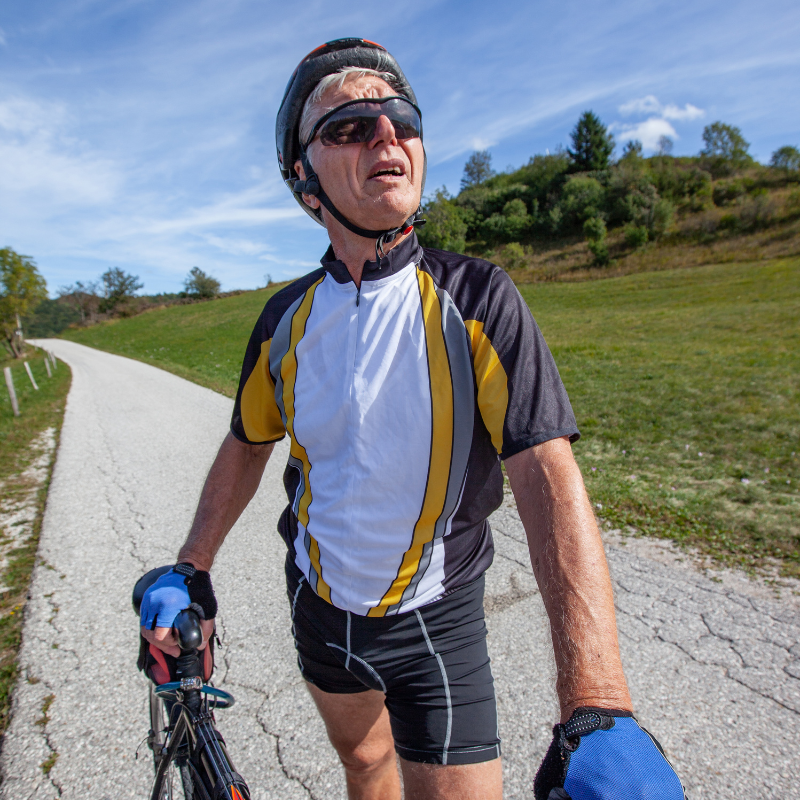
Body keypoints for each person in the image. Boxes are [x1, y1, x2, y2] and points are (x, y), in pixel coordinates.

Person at [138, 38, 685, 800]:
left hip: (436, 623)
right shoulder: (282, 321)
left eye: (400, 118)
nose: (386, 135)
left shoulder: (481, 299)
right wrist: (191, 564)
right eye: (350, 127)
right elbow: (247, 443)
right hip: (320, 611)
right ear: (304, 180)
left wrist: (597, 706)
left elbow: (548, 475)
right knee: (364, 766)